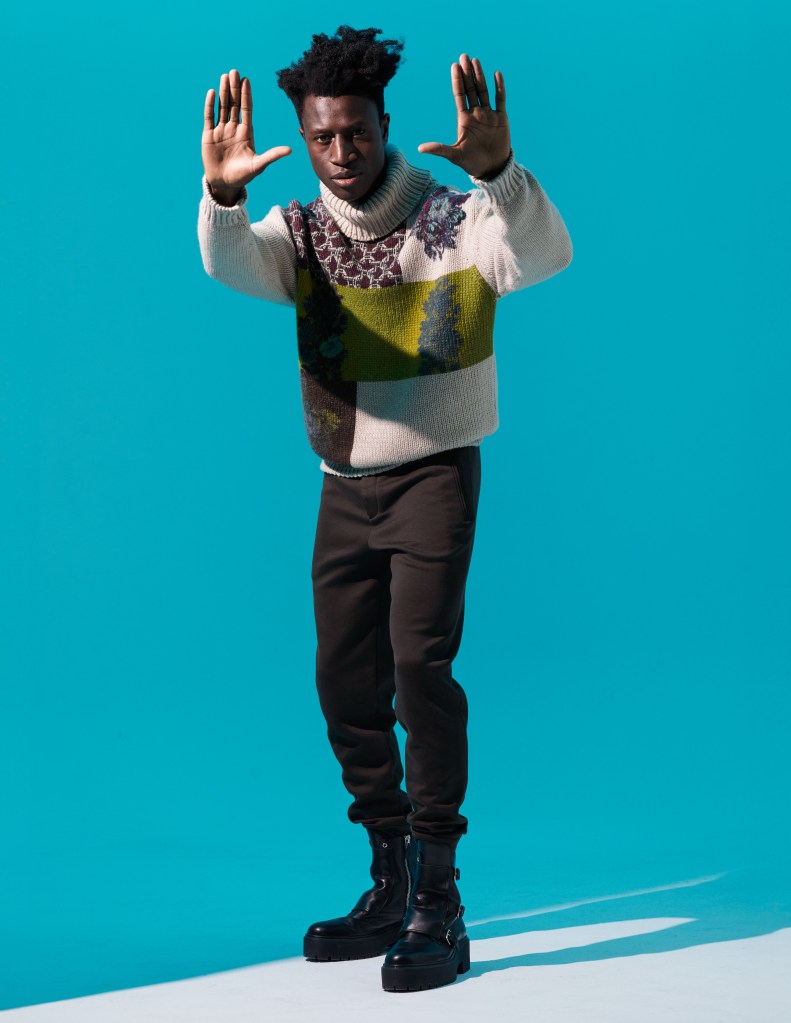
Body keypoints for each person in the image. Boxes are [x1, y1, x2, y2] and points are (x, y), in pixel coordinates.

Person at [198, 25, 572, 993]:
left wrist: (502, 176)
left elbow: (544, 255)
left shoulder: (455, 220)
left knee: (418, 668)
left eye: (355, 132)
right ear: (304, 137)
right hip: (343, 484)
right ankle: (389, 873)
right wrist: (223, 197)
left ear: (383, 123)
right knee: (343, 683)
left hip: (433, 476)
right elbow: (229, 264)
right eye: (321, 137)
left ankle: (440, 898)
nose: (340, 152)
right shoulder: (297, 234)